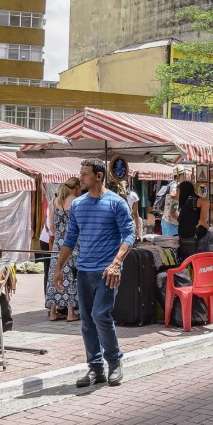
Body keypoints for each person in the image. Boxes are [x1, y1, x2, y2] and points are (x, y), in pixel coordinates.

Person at [55, 158, 136, 387]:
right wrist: (59, 268)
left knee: (100, 315)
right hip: (83, 271)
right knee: (87, 322)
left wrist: (116, 263)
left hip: (106, 272)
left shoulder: (116, 203)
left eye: (85, 174)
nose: (80, 178)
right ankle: (95, 368)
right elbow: (70, 239)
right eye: (80, 174)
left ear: (99, 176)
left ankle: (114, 362)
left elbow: (129, 236)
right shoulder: (78, 205)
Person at [46, 177, 81, 322]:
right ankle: (71, 312)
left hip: (58, 244)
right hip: (72, 244)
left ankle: (53, 312)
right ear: (76, 188)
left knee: (55, 274)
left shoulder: (53, 202)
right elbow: (79, 224)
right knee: (71, 275)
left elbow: (51, 227)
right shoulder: (76, 201)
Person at [175, 181, 209, 262]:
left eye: (178, 191)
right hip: (186, 239)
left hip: (192, 239)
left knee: (192, 263)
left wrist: (202, 219)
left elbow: (205, 201)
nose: (176, 194)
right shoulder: (186, 202)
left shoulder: (193, 199)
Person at [160, 166, 188, 237]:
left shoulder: (172, 184)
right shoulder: (175, 184)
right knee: (173, 243)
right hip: (170, 220)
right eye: (184, 174)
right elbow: (173, 194)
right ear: (180, 175)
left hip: (168, 219)